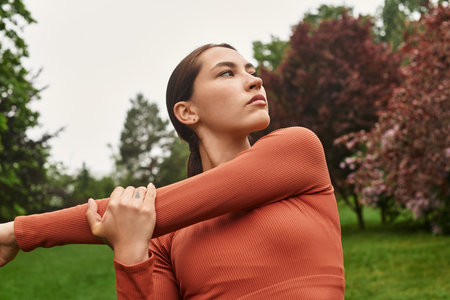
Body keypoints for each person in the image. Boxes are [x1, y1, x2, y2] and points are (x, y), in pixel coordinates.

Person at [0, 43, 345, 299]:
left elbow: (151, 209)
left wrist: (16, 232)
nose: (255, 81)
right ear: (187, 112)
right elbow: (144, 216)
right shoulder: (165, 237)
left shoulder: (298, 150)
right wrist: (132, 252)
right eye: (228, 72)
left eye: (251, 71)